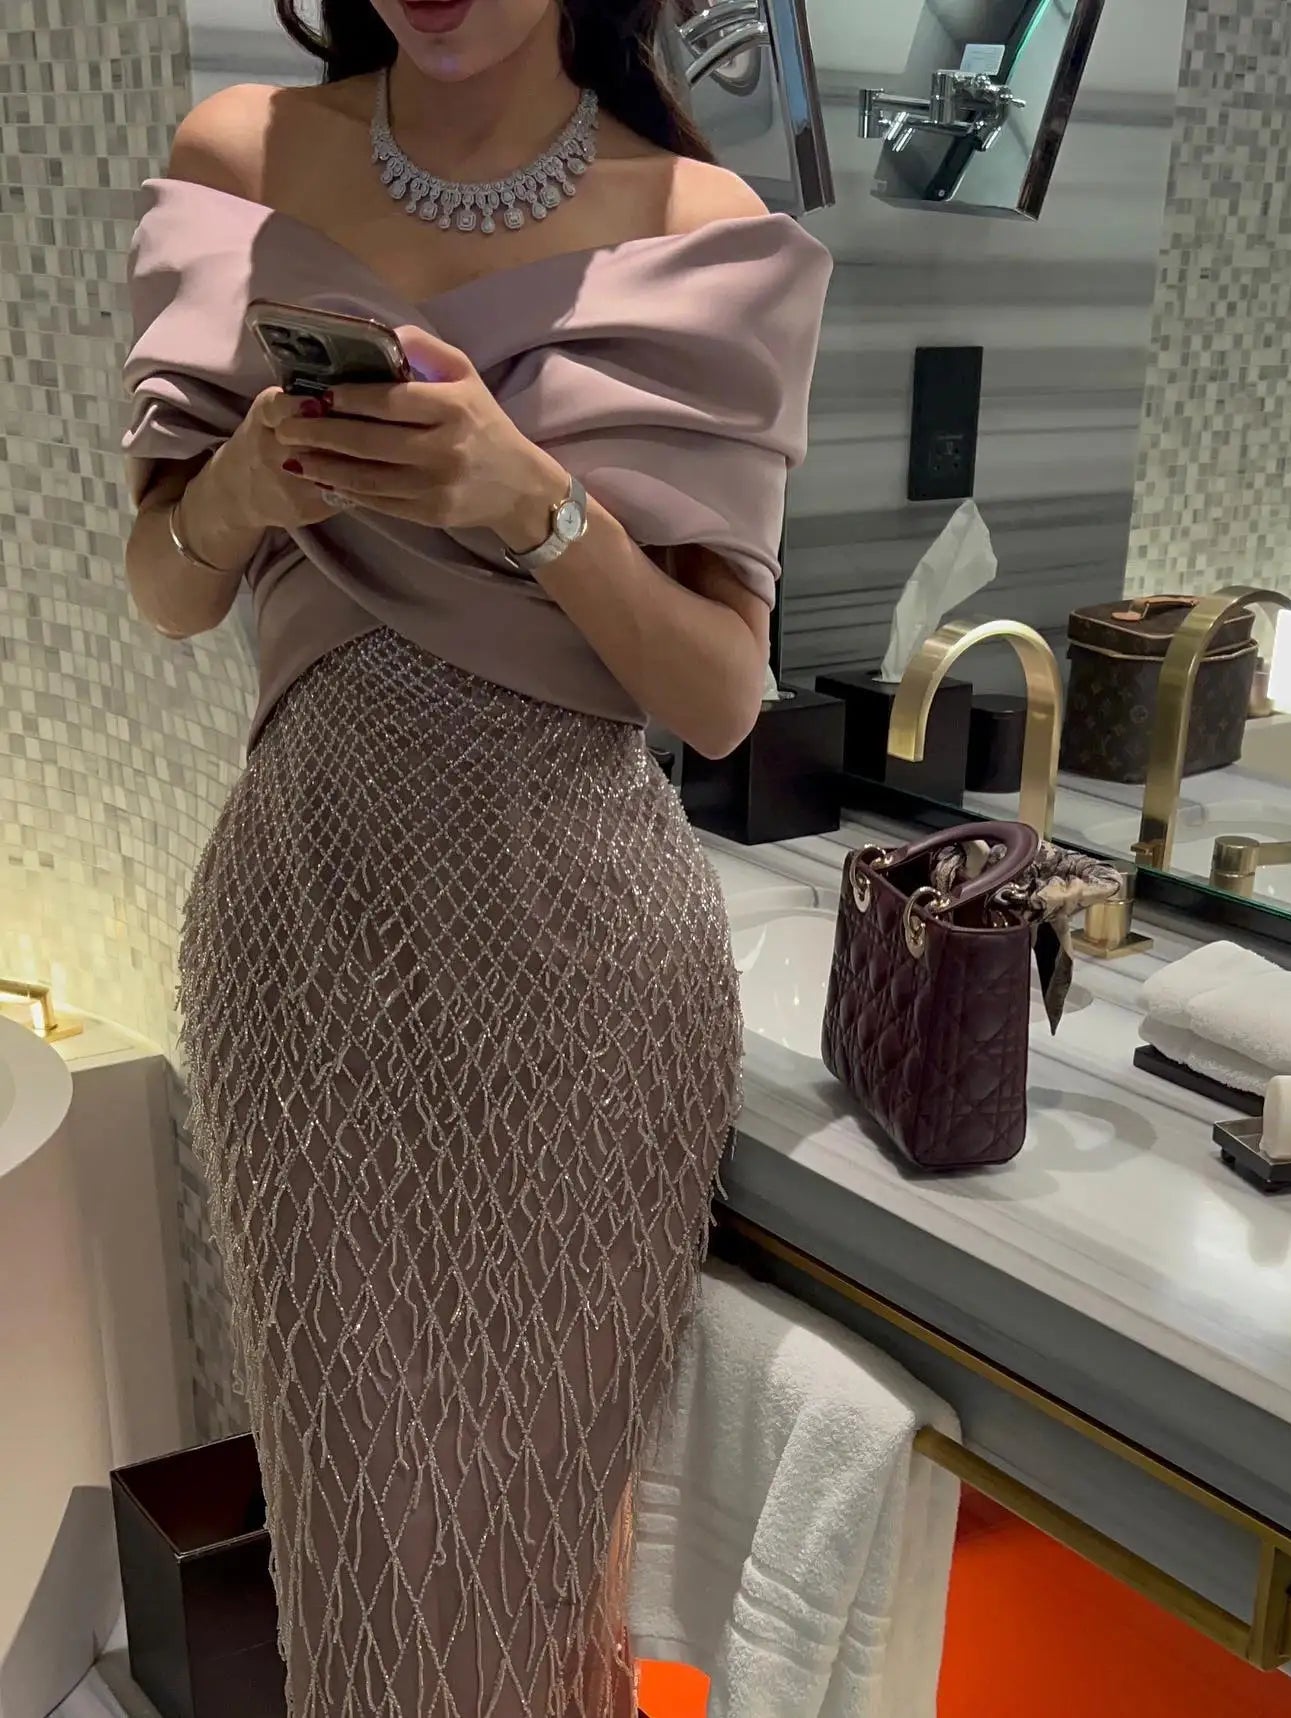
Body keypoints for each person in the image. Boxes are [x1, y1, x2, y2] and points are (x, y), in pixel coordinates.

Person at [120, 2, 830, 1713]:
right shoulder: (241, 156)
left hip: (582, 995)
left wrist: (531, 505)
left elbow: (718, 696)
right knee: (357, 1544)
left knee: (531, 1560)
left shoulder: (701, 229)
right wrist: (244, 485)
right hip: (305, 957)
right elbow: (166, 590)